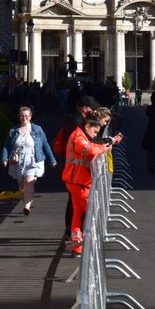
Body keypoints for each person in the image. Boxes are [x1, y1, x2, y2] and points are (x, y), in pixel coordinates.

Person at [61, 113, 123, 257]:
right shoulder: (78, 137)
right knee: (92, 211)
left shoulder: (81, 136)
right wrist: (103, 148)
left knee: (78, 213)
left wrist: (102, 145)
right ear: (87, 126)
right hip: (77, 181)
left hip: (76, 180)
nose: (95, 135)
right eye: (95, 131)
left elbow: (92, 146)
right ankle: (89, 244)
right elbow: (90, 149)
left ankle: (77, 246)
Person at [1, 106, 57, 216]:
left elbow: (45, 145)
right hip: (18, 162)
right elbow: (6, 146)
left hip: (34, 160)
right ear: (19, 116)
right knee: (22, 187)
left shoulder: (38, 129)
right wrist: (4, 158)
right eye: (22, 115)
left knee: (28, 183)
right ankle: (27, 200)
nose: (24, 118)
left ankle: (26, 207)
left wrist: (52, 160)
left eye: (26, 116)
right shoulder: (13, 131)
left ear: (30, 117)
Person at [55, 95, 97, 238]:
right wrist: (102, 146)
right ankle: (77, 234)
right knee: (78, 205)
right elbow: (88, 146)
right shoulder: (77, 124)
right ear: (84, 109)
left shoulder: (75, 120)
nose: (93, 111)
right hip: (75, 172)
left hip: (74, 171)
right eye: (91, 108)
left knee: (76, 205)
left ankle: (75, 234)